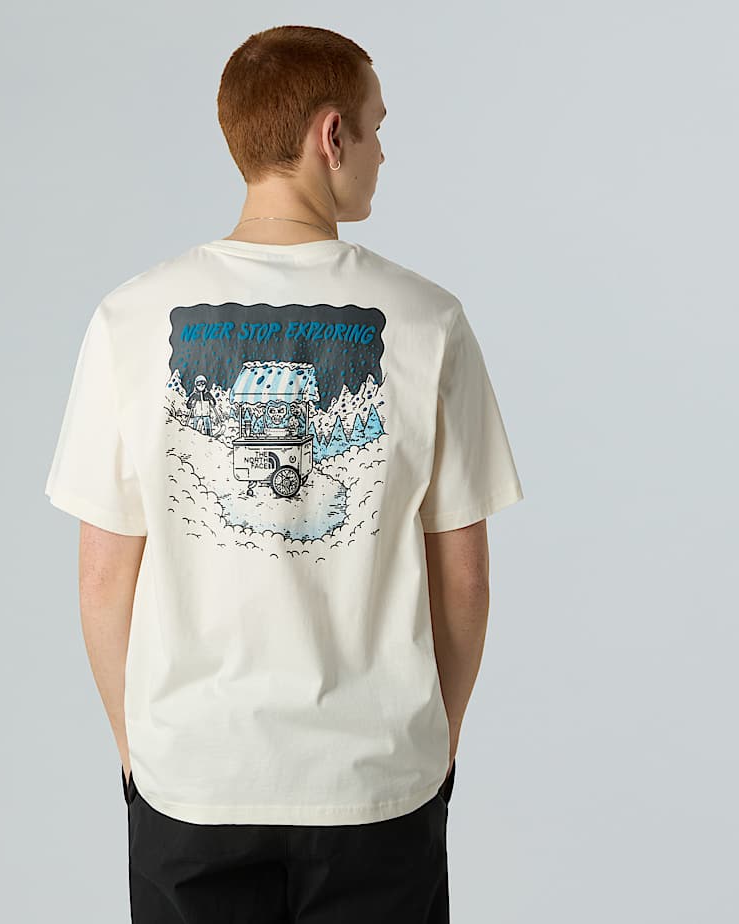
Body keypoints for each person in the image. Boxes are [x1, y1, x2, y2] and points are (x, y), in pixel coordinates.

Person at [44, 23, 523, 924]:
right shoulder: (429, 321)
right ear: (331, 135)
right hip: (375, 781)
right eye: (377, 128)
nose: (383, 153)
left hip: (194, 777)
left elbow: (104, 578)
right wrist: (432, 750)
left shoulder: (129, 319)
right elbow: (465, 579)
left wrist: (138, 756)